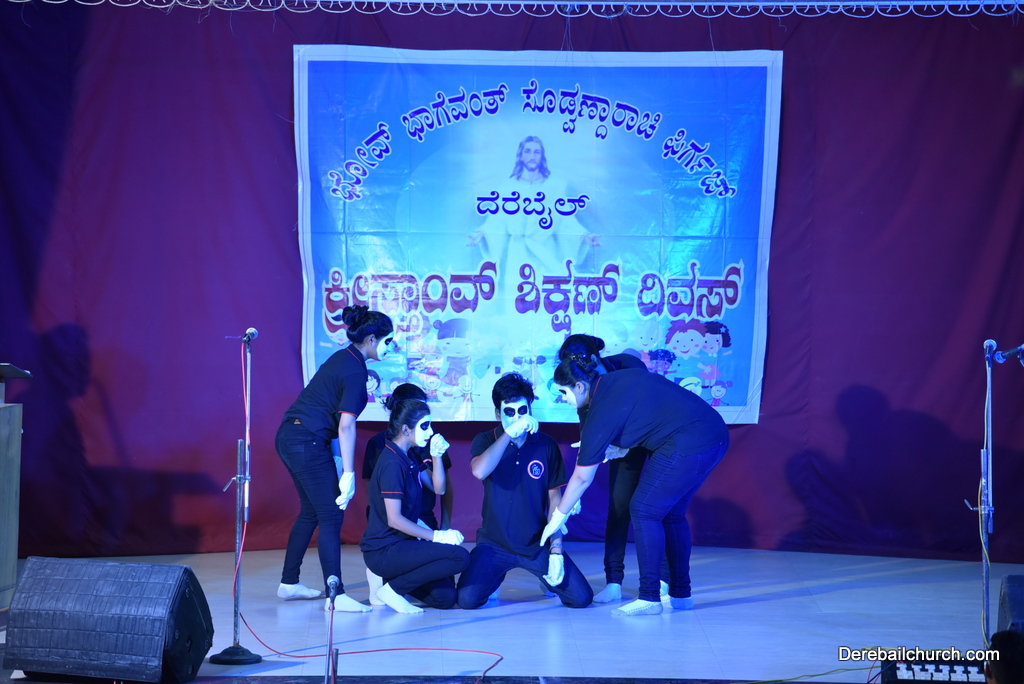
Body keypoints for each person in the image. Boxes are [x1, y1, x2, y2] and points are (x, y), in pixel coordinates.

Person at [542, 355, 729, 616]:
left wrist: (557, 518)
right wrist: (617, 448)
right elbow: (648, 416)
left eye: (563, 392)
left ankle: (650, 597)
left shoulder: (600, 409)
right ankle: (680, 595)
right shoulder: (616, 381)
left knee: (644, 510)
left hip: (689, 443)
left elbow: (582, 478)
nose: (563, 398)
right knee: (672, 515)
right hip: (716, 435)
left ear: (580, 386)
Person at [275, 305, 395, 612]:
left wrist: (339, 462)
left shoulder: (344, 358)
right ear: (371, 339)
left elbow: (328, 414)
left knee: (311, 512)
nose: (391, 346)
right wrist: (349, 473)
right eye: (388, 340)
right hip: (306, 440)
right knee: (331, 514)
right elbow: (346, 425)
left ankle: (289, 583)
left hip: (292, 436)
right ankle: (336, 595)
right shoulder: (355, 371)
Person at [456, 372, 593, 610]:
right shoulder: (486, 440)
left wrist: (556, 550)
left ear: (530, 409)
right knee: (467, 600)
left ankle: (544, 577)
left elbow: (555, 501)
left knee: (581, 598)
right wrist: (509, 433)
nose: (517, 418)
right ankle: (495, 578)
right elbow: (479, 471)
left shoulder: (546, 444)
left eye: (522, 411)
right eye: (509, 412)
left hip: (535, 544)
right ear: (498, 414)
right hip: (494, 544)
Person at [557, 334, 655, 604]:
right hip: (620, 448)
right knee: (619, 508)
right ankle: (614, 582)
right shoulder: (581, 386)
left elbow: (646, 408)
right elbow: (587, 434)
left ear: (592, 359)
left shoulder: (629, 366)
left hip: (654, 438)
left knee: (656, 510)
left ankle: (663, 581)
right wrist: (574, 492)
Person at [360, 396, 470, 613]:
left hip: (405, 544)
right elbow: (394, 519)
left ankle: (391, 582)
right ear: (406, 430)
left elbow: (439, 488)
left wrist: (436, 456)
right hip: (385, 550)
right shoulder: (392, 463)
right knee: (460, 556)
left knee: (445, 598)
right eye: (425, 426)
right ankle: (392, 590)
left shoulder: (408, 455)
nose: (431, 432)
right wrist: (437, 536)